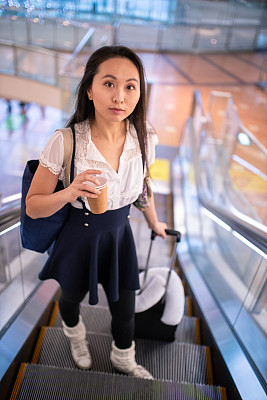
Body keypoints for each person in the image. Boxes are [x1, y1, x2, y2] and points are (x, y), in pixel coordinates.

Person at [26, 45, 167, 379]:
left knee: (125, 308)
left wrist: (154, 221)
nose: (120, 96)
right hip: (80, 234)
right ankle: (75, 338)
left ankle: (123, 358)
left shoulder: (145, 136)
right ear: (89, 89)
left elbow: (143, 187)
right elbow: (33, 205)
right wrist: (70, 191)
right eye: (109, 84)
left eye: (130, 86)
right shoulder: (66, 141)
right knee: (71, 297)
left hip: (120, 235)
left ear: (139, 92)